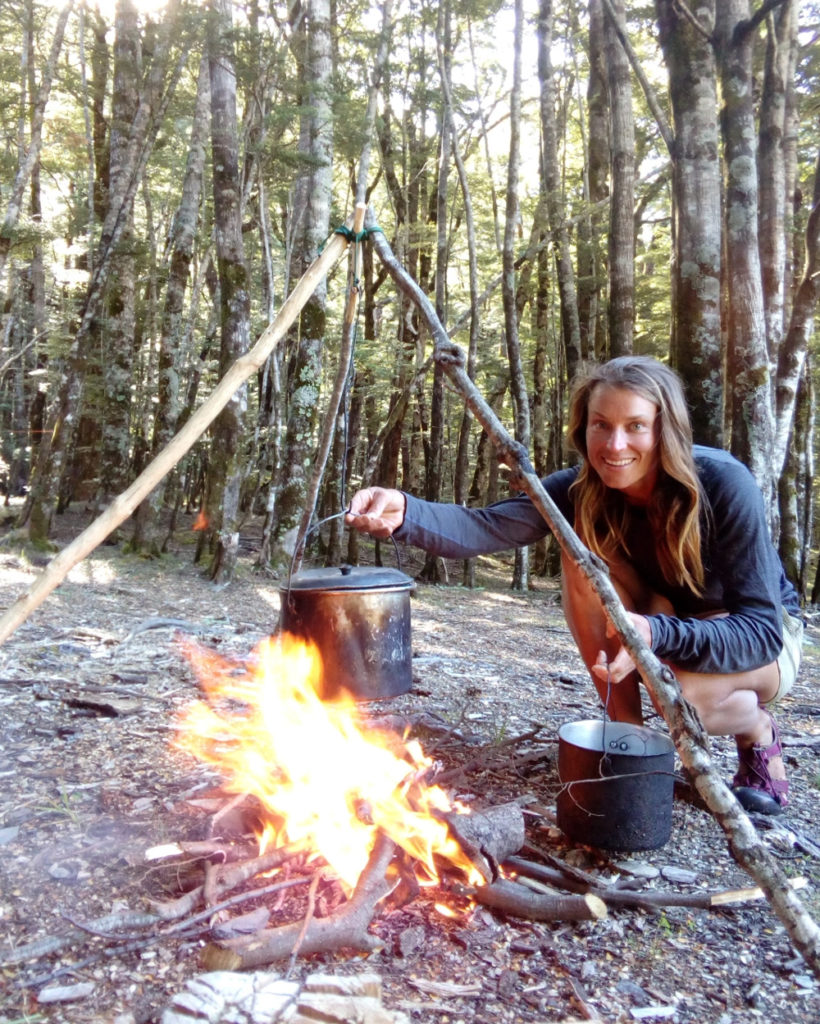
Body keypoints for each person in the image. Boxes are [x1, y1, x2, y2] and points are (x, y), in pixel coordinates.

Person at [345, 356, 803, 816]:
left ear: (665, 430)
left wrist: (658, 634)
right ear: (583, 428)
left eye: (636, 426)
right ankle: (629, 739)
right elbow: (485, 526)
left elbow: (761, 632)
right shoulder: (581, 490)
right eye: (601, 424)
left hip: (764, 642)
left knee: (684, 700)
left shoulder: (722, 483)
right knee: (578, 550)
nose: (615, 444)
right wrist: (404, 511)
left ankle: (757, 729)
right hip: (665, 624)